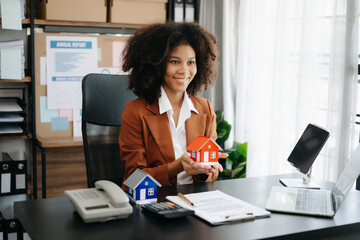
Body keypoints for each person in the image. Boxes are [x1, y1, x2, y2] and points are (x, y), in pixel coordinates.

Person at [119, 22, 227, 188]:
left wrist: (207, 170)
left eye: (191, 62)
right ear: (157, 64)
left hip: (195, 201)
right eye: (175, 62)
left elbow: (211, 176)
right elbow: (134, 177)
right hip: (155, 201)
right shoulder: (136, 112)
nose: (184, 71)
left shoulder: (205, 108)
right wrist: (178, 166)